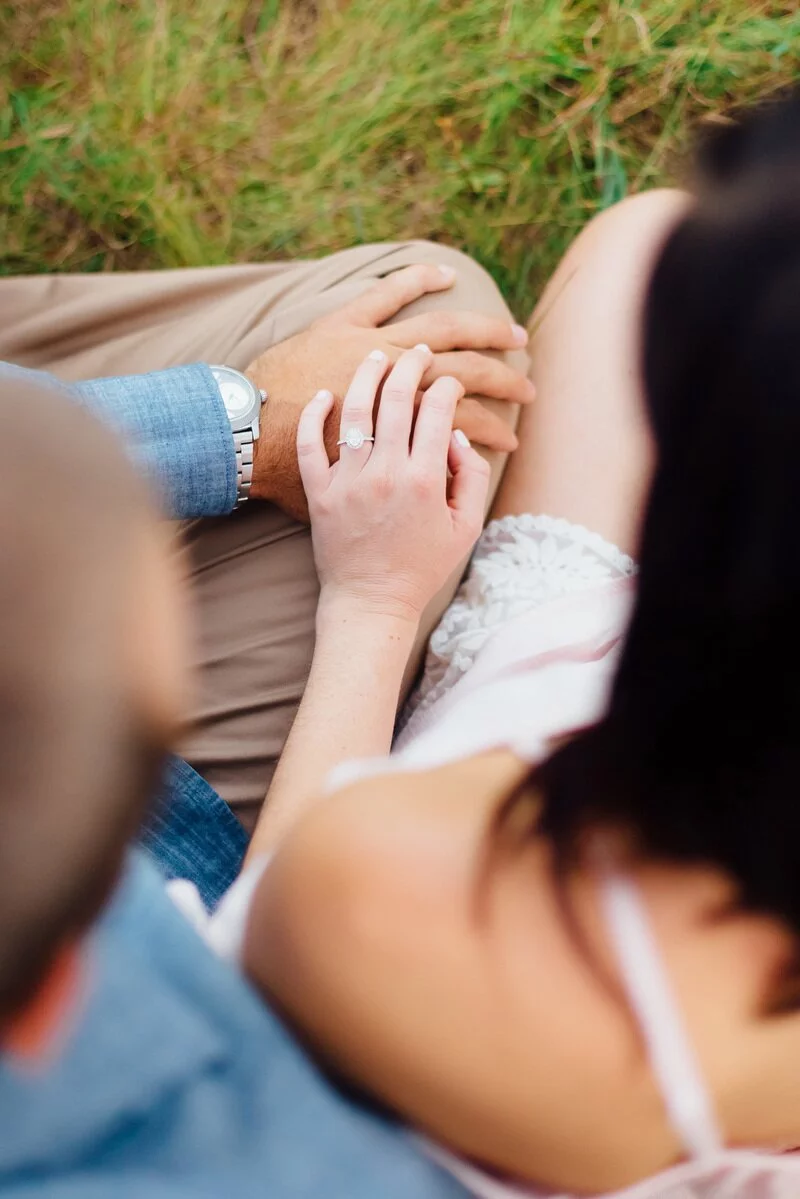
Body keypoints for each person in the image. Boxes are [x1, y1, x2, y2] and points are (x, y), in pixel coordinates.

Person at [4, 93, 800, 1199]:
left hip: (502, 859)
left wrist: (376, 599)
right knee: (611, 261)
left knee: (531, 301)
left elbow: (266, 925)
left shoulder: (370, 887)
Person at [0, 241, 533, 902]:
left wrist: (242, 432)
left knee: (409, 356)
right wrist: (374, 600)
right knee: (422, 381)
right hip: (116, 811)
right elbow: (275, 927)